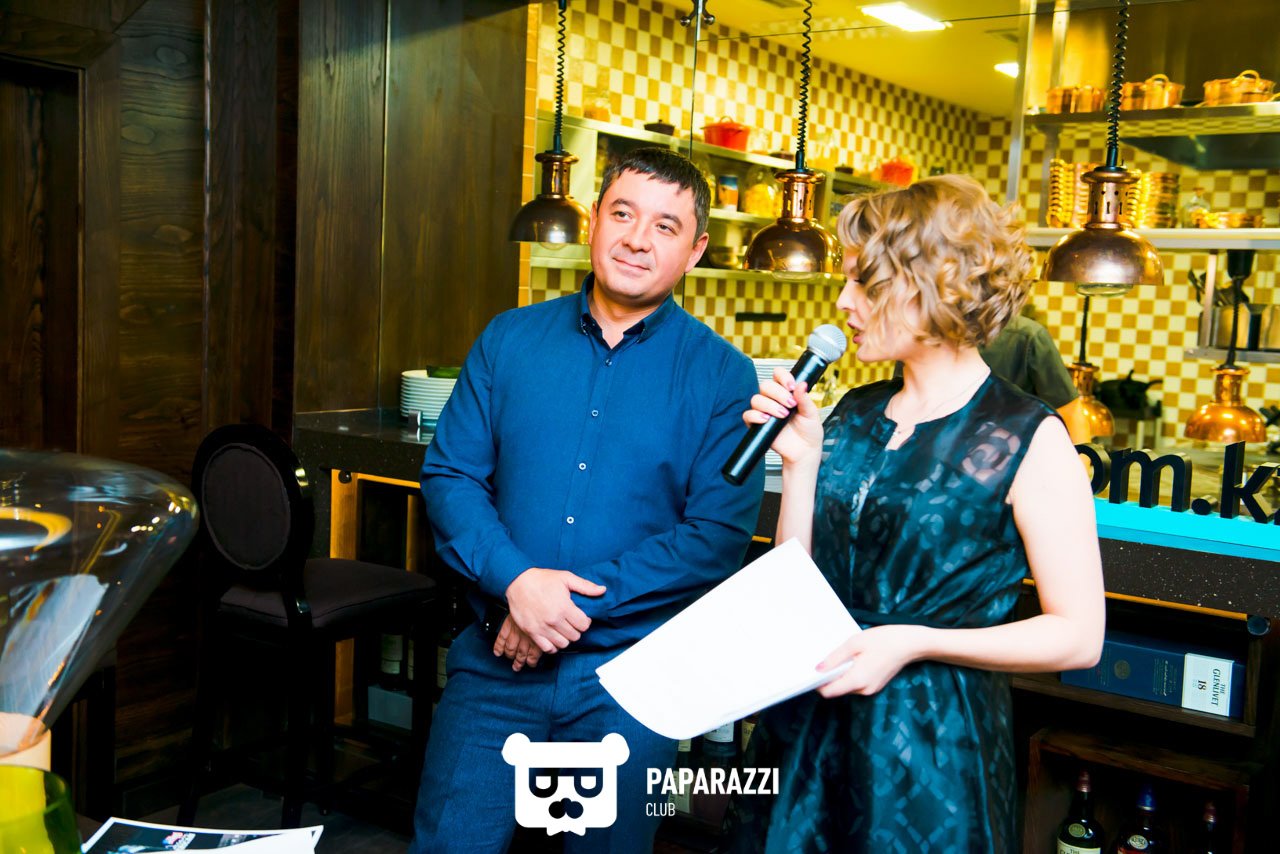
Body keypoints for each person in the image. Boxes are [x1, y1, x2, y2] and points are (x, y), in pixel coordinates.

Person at [725, 175, 1104, 853]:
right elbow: (797, 586)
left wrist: (914, 640)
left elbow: (1077, 638)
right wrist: (801, 465)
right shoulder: (854, 412)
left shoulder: (1026, 434)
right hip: (810, 730)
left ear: (936, 285)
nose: (843, 302)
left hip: (930, 745)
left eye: (864, 283)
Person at [411, 147, 764, 854]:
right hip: (495, 661)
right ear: (594, 219)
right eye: (623, 214)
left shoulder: (725, 376)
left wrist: (553, 610)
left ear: (695, 251)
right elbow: (450, 477)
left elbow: (714, 536)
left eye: (665, 226)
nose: (638, 239)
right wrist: (517, 583)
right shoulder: (509, 339)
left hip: (630, 683)